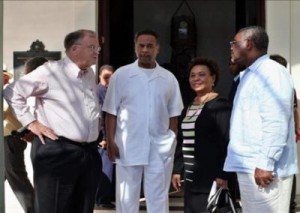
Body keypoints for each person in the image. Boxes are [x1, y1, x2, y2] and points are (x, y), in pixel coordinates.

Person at [4, 29, 102, 213]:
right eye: (92, 47)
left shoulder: (89, 73)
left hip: (87, 153)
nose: (97, 51)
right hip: (57, 151)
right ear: (74, 49)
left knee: (83, 208)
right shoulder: (51, 71)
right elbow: (12, 92)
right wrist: (31, 123)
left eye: (98, 47)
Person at [102, 29, 183, 213]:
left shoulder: (168, 78)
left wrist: (171, 139)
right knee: (126, 196)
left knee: (158, 196)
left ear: (158, 49)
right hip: (127, 145)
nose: (145, 50)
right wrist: (111, 141)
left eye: (150, 46)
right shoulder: (121, 75)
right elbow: (111, 112)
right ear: (135, 47)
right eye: (141, 46)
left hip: (160, 146)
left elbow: (174, 115)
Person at [224, 26, 298, 213]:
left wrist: (266, 162)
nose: (231, 47)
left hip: (265, 168)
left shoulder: (272, 72)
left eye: (234, 43)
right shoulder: (250, 74)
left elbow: (276, 121)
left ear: (248, 44)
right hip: (250, 165)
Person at [171, 57, 232, 213]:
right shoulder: (188, 107)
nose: (196, 79)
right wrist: (177, 169)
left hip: (211, 179)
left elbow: (227, 142)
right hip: (191, 179)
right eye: (192, 75)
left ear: (213, 78)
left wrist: (222, 174)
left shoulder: (221, 106)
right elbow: (182, 141)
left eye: (202, 74)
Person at [269, 54, 299, 213]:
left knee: (287, 172)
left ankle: (290, 204)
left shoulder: (287, 86)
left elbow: (294, 110)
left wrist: (296, 131)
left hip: (286, 137)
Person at [3, 68, 35, 213]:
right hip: (7, 138)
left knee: (17, 177)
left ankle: (34, 209)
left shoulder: (5, 92)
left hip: (10, 138)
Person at [95, 64, 115, 209]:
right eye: (106, 77)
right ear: (100, 77)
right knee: (104, 169)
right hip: (103, 138)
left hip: (111, 137)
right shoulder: (98, 91)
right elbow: (100, 116)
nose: (109, 80)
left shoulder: (112, 91)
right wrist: (104, 138)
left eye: (111, 77)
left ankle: (104, 198)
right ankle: (102, 200)